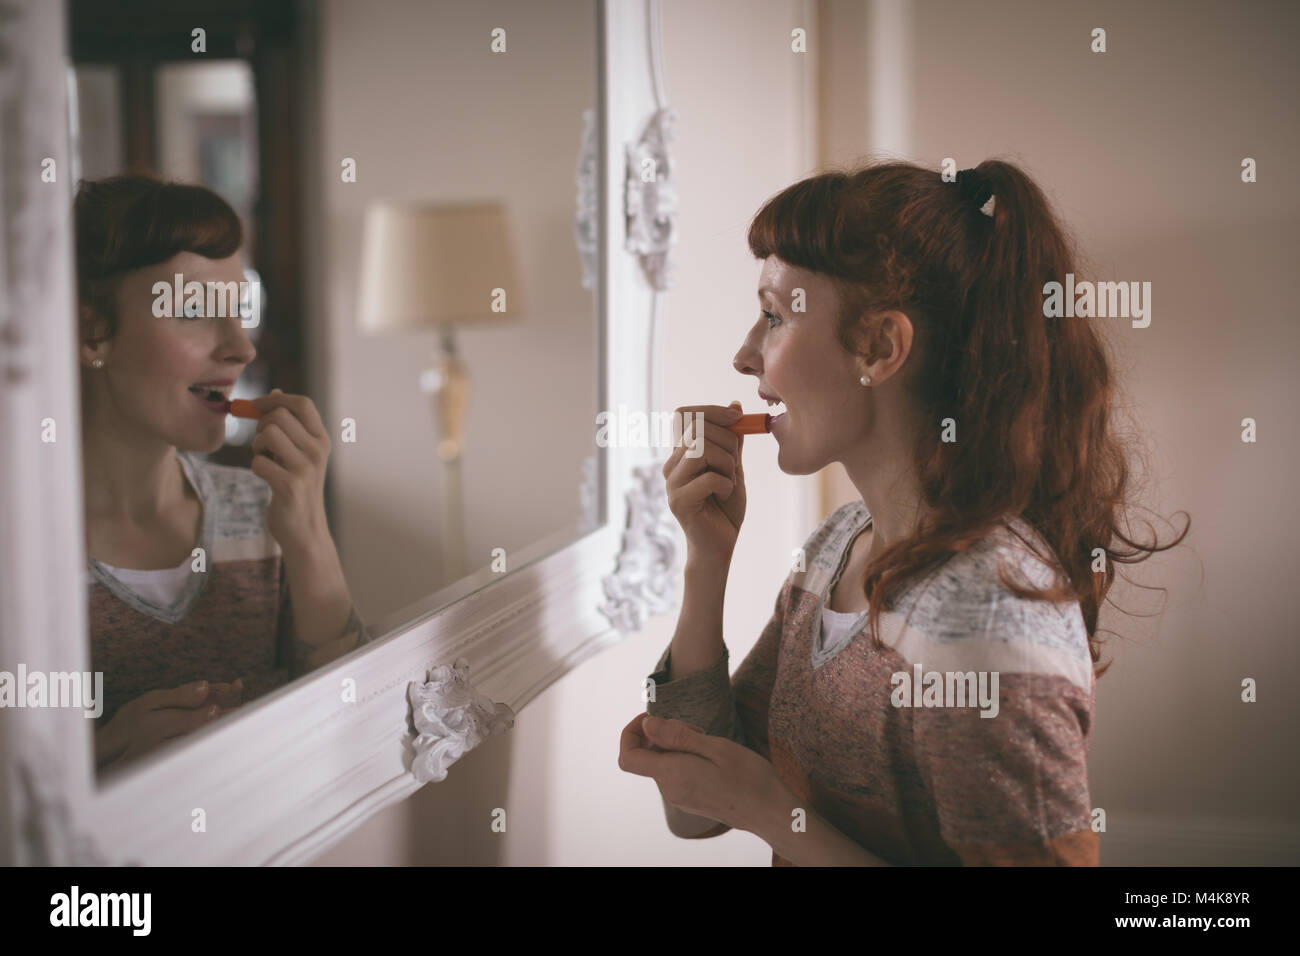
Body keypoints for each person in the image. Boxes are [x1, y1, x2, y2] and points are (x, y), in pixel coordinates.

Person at [618, 159, 1189, 865]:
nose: (744, 355)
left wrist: (772, 814)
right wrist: (707, 562)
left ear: (881, 347)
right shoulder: (838, 546)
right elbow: (693, 814)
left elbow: (743, 804)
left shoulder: (985, 615)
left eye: (773, 317)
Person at [76, 173, 368, 773]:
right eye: (193, 310)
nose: (241, 347)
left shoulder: (260, 510)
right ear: (92, 330)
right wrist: (96, 757)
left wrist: (309, 530)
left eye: (238, 311)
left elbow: (351, 723)